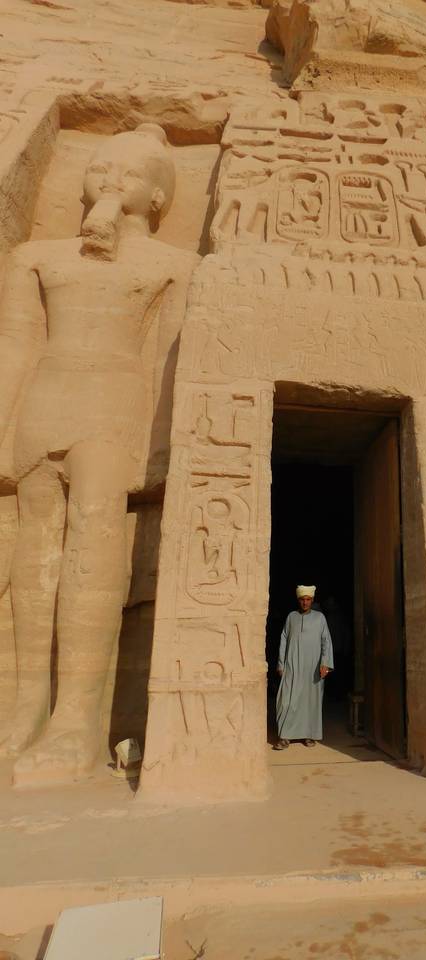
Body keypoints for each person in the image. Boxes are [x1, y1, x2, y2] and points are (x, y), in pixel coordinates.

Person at [0, 123, 198, 783]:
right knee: (35, 563)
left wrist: (163, 447)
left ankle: (76, 720)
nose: (112, 184)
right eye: (100, 170)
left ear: (158, 195)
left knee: (93, 552)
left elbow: (172, 359)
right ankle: (25, 706)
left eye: (129, 175)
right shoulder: (36, 255)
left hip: (114, 412)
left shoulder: (173, 265)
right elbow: (16, 349)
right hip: (43, 406)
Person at [275, 585, 333, 749]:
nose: (305, 602)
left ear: (312, 600)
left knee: (310, 701)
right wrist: (281, 663)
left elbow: (326, 642)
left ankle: (309, 735)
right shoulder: (291, 617)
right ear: (298, 600)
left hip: (312, 668)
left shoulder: (320, 618)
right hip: (292, 666)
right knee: (286, 700)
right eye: (302, 599)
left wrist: (325, 663)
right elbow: (283, 640)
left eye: (308, 600)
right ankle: (284, 736)